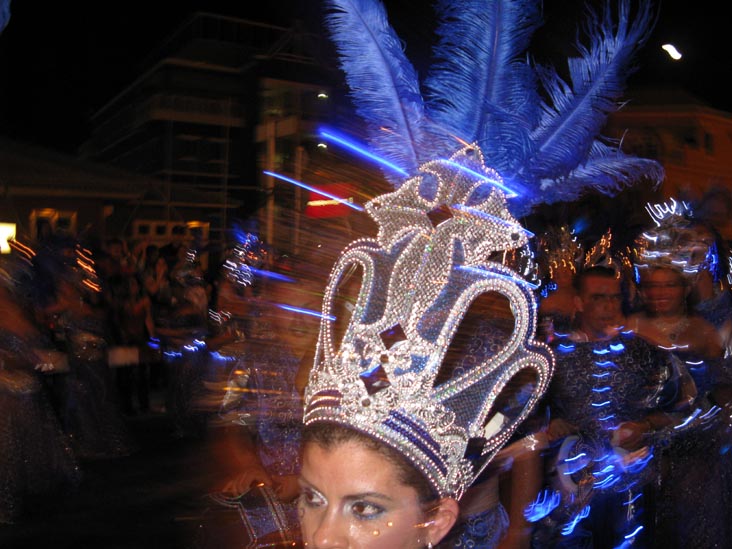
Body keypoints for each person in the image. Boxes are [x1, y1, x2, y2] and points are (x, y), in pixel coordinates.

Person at [534, 266, 689, 548]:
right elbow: (528, 418)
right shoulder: (554, 358)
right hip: (569, 494)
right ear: (578, 302)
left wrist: (645, 427)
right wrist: (550, 423)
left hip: (629, 490)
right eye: (597, 298)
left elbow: (681, 408)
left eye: (614, 298)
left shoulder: (645, 352)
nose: (608, 306)